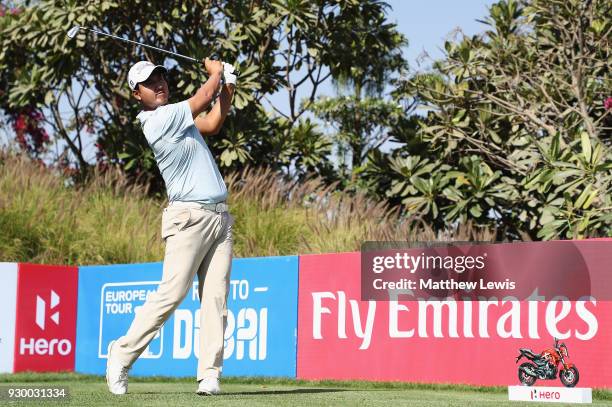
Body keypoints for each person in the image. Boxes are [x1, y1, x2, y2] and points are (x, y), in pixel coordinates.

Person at [105, 58, 236, 396]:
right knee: (172, 294)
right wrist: (216, 73)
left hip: (219, 218)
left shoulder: (179, 119)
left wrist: (229, 90)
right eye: (149, 82)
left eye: (160, 76)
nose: (158, 84)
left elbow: (212, 123)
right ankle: (121, 354)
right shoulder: (159, 119)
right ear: (138, 95)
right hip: (188, 219)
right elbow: (204, 97)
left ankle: (209, 374)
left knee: (216, 300)